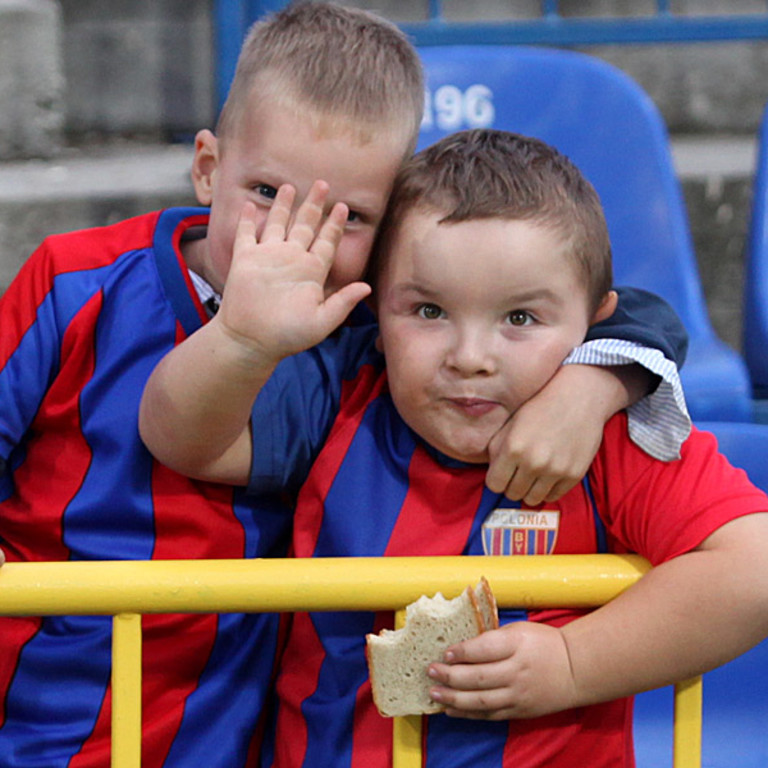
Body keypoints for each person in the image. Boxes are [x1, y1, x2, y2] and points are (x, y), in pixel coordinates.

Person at [0, 2, 684, 765]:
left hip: (235, 724)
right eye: (265, 193)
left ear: (395, 230)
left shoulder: (374, 335)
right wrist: (246, 338)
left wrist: (591, 384)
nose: (295, 241)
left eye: (349, 216)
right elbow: (175, 432)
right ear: (205, 167)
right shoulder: (72, 279)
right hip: (44, 698)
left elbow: (625, 307)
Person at [139, 129, 768, 768]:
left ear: (595, 322)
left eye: (520, 319)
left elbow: (756, 568)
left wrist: (573, 664)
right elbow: (180, 440)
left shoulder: (609, 440)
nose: (470, 358)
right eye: (429, 311)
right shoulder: (338, 400)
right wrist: (243, 342)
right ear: (377, 316)